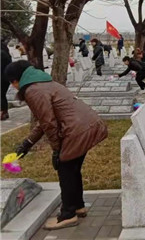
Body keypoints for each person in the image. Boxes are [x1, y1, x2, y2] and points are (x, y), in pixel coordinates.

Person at [5, 60, 108, 230]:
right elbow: (44, 121)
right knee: (72, 168)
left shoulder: (32, 90)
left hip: (77, 130)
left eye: (12, 83)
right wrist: (27, 143)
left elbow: (48, 123)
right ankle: (78, 206)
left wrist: (56, 150)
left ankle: (67, 215)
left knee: (65, 169)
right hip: (87, 125)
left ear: (15, 80)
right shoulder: (45, 83)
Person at [1, 41, 12, 120]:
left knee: (1, 95)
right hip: (5, 78)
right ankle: (4, 112)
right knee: (2, 95)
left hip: (2, 78)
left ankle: (3, 112)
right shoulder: (6, 54)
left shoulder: (1, 54)